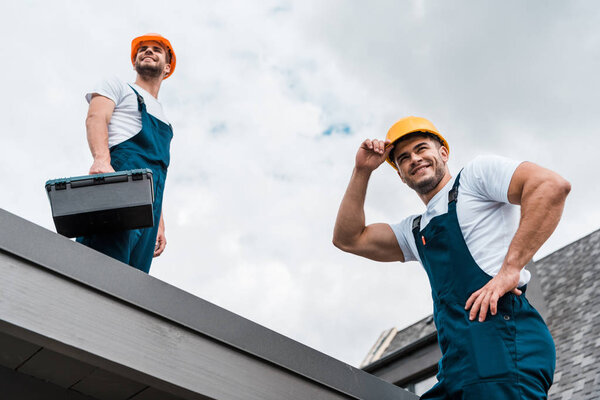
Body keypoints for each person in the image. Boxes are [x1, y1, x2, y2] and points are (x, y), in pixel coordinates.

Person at [333, 116, 570, 399]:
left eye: (422, 148)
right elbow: (348, 238)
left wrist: (510, 270)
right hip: (457, 366)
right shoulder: (414, 229)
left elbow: (551, 186)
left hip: (503, 348)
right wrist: (362, 170)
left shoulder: (475, 178)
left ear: (443, 153)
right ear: (400, 174)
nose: (415, 159)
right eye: (404, 158)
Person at [77, 33, 176, 274]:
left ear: (167, 67)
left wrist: (159, 218)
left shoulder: (165, 120)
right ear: (135, 63)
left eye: (156, 49)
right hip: (120, 184)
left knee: (132, 279)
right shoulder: (118, 86)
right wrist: (101, 158)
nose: (148, 51)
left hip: (150, 205)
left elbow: (157, 171)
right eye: (142, 49)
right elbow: (96, 117)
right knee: (101, 267)